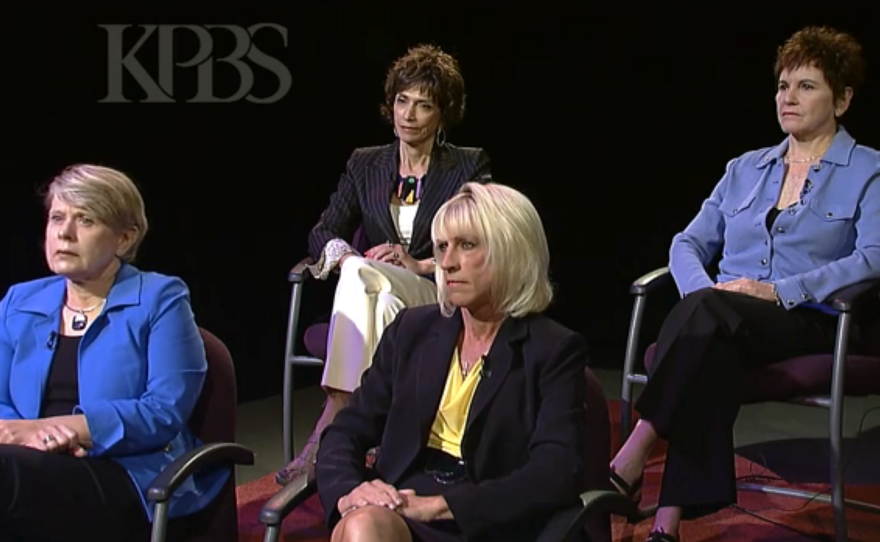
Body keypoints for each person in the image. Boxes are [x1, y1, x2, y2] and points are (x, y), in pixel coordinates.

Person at [609, 26, 880, 542]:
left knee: (706, 328)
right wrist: (702, 296)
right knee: (708, 346)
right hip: (723, 324)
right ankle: (666, 525)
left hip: (807, 320)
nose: (788, 98)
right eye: (782, 86)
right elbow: (686, 243)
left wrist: (780, 291)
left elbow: (874, 258)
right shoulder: (744, 169)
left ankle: (634, 451)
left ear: (842, 99)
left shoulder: (870, 171)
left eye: (806, 86)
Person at [314, 182, 596, 542]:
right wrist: (349, 491)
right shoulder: (411, 331)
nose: (447, 263)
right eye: (442, 247)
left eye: (467, 245)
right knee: (359, 524)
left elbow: (555, 471)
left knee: (361, 529)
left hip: (488, 517)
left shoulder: (554, 349)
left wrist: (441, 505)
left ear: (512, 251)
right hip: (402, 505)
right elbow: (346, 430)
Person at [276, 43, 492, 485]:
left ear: (443, 115)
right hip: (381, 297)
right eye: (401, 101)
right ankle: (389, 441)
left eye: (424, 105)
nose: (408, 115)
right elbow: (323, 231)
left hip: (434, 287)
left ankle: (330, 427)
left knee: (364, 280)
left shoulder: (468, 164)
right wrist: (351, 259)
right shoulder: (365, 163)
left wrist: (420, 264)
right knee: (364, 280)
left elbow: (484, 238)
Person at [0, 164, 228, 540]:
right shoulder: (20, 301)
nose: (64, 233)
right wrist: (20, 436)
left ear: (124, 238)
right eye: (57, 217)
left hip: (125, 473)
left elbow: (163, 411)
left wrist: (59, 431)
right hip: (26, 462)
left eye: (85, 220)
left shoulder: (160, 298)